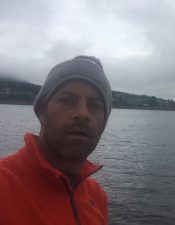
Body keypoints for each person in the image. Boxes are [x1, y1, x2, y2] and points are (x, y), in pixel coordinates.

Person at [0, 56, 112, 225]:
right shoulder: (4, 185)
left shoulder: (97, 195)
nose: (83, 113)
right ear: (42, 111)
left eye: (95, 105)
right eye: (66, 100)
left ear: (104, 122)